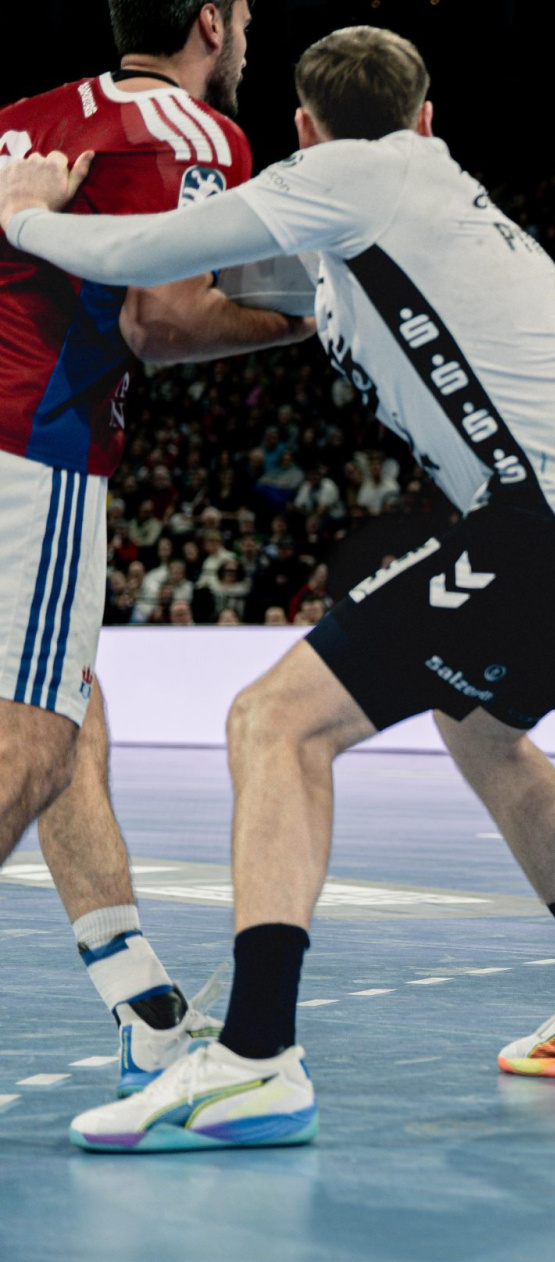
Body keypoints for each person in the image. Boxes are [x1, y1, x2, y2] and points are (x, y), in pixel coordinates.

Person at [1, 24, 555, 1152]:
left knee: (274, 722)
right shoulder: (428, 198)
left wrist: (26, 217)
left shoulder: (346, 174)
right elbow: (247, 299)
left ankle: (255, 1062)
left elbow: (147, 258)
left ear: (301, 131)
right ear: (428, 116)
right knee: (481, 726)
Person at [0, 0, 314, 1099]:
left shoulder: (24, 117)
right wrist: (298, 321)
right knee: (36, 743)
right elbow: (162, 320)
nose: (249, 35)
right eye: (244, 14)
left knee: (71, 711)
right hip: (32, 448)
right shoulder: (192, 131)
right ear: (209, 24)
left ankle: (144, 1009)